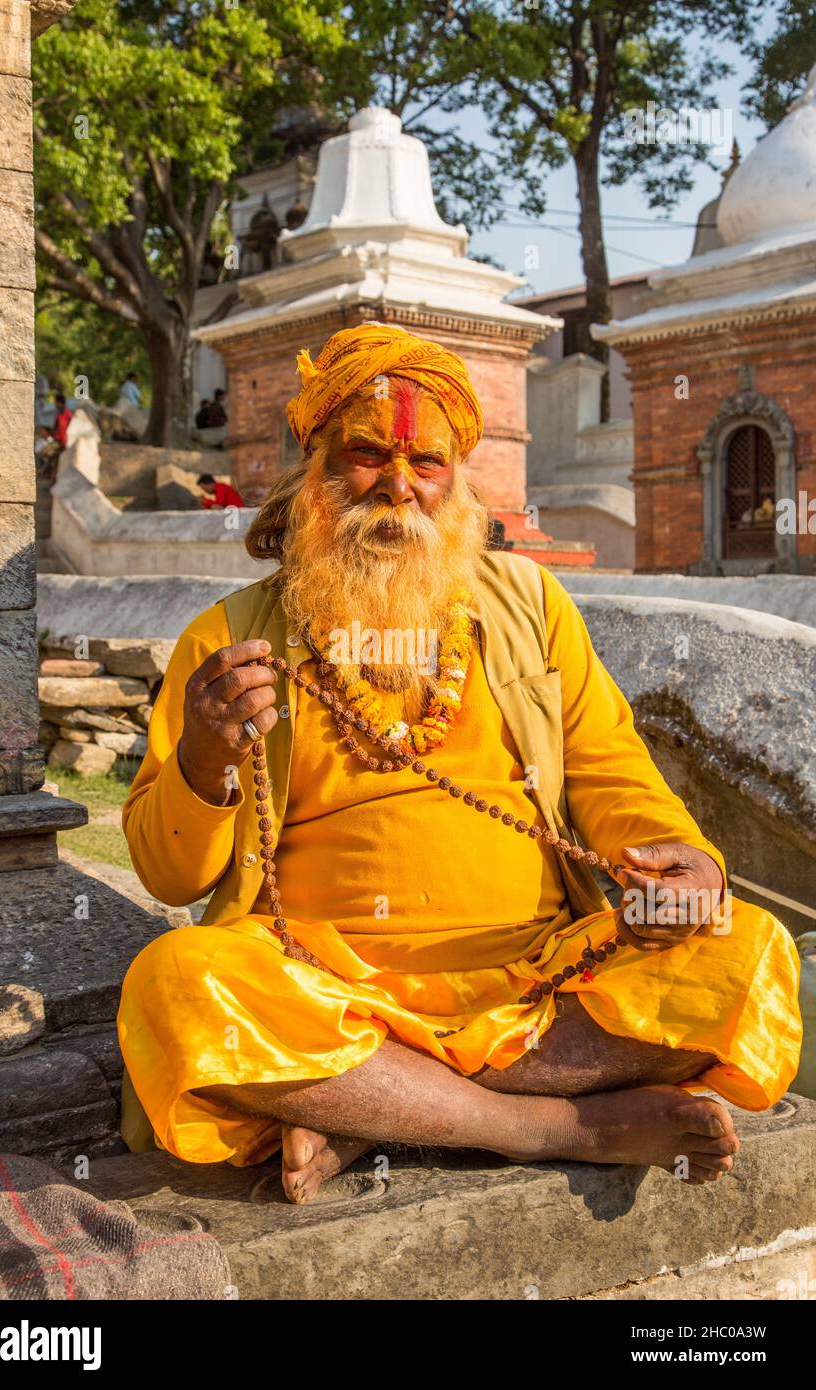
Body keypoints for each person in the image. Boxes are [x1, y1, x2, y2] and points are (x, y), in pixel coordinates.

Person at [118, 323, 801, 1206]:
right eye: (366, 455)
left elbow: (611, 769)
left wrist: (690, 864)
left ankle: (379, 1108)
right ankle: (548, 1126)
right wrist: (204, 760)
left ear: (458, 481)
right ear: (313, 468)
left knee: (749, 951)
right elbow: (168, 873)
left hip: (550, 977)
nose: (399, 487)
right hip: (325, 983)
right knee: (176, 985)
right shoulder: (228, 637)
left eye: (428, 463)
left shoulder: (528, 604)